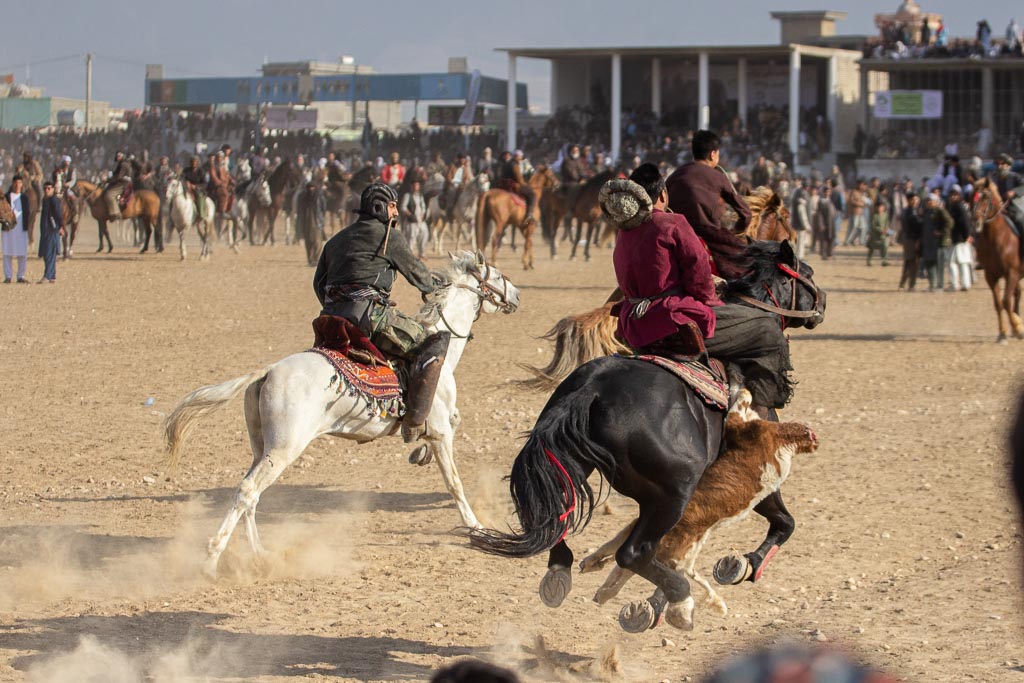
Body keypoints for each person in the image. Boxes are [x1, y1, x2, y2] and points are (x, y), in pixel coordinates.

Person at [604, 163, 793, 410]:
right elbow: (700, 277)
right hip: (673, 322)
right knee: (768, 331)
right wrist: (714, 301)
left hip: (633, 326)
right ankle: (760, 424)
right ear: (662, 194)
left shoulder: (624, 232)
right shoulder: (673, 223)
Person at [313, 182, 446, 442]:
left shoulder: (335, 240)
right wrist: (437, 286)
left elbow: (318, 284)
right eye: (393, 206)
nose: (396, 213)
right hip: (370, 318)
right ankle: (416, 423)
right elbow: (420, 276)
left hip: (330, 319)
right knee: (433, 343)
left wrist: (338, 304)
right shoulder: (388, 237)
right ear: (380, 207)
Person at [666, 129, 752, 239]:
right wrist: (734, 233)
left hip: (676, 237)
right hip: (710, 241)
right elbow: (746, 214)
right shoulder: (719, 177)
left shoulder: (676, 174)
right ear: (713, 154)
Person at [921, 192, 952, 292]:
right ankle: (932, 285)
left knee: (939, 265)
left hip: (938, 243)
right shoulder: (926, 212)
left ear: (936, 202)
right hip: (928, 242)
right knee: (929, 263)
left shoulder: (940, 211)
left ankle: (940, 286)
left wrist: (942, 232)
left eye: (930, 201)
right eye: (927, 201)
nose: (928, 202)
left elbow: (950, 222)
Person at [3, 175, 30, 283]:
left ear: (22, 184)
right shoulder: (6, 196)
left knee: (22, 253)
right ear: (12, 183)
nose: (17, 185)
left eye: (19, 182)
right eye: (15, 182)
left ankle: (21, 276)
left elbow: (28, 213)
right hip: (8, 228)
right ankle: (8, 276)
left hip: (21, 228)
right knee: (7, 252)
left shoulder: (25, 197)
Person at [946, 185, 973, 291]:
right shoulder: (955, 206)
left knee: (954, 262)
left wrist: (967, 235)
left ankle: (955, 284)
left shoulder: (958, 207)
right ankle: (965, 284)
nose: (953, 197)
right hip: (959, 238)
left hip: (959, 238)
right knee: (963, 262)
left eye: (955, 195)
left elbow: (965, 223)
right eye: (952, 195)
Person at [37, 181, 63, 283]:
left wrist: (60, 226)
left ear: (52, 189)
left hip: (52, 229)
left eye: (49, 188)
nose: (46, 190)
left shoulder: (54, 200)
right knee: (46, 253)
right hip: (45, 230)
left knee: (49, 253)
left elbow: (58, 215)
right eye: (45, 188)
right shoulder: (45, 200)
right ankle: (52, 276)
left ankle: (47, 276)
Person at [296, 181, 326, 267]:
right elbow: (300, 211)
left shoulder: (320, 198)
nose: (311, 189)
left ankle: (316, 259)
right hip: (306, 222)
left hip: (317, 222)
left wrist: (321, 220)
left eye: (313, 187)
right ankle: (310, 259)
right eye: (309, 188)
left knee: (317, 242)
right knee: (308, 242)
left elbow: (323, 209)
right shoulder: (303, 198)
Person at [898, 193, 923, 291]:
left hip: (908, 239)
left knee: (909, 262)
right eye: (913, 199)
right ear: (909, 200)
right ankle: (910, 285)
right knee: (912, 263)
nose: (916, 201)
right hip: (912, 240)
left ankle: (903, 284)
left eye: (917, 199)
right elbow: (915, 227)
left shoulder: (907, 211)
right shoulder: (912, 212)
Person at [400, 178, 429, 259]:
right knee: (411, 238)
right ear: (412, 186)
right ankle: (409, 255)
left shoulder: (420, 196)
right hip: (411, 221)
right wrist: (410, 214)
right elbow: (403, 207)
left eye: (417, 185)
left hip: (420, 220)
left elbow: (423, 207)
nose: (416, 187)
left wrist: (423, 214)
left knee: (424, 235)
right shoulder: (407, 196)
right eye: (414, 185)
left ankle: (422, 253)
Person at [103, 151, 134, 220]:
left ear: (122, 156)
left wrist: (107, 180)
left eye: (119, 156)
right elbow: (115, 174)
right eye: (117, 156)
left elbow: (118, 177)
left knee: (109, 195)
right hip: (120, 183)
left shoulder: (123, 164)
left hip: (123, 184)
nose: (118, 158)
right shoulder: (121, 164)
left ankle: (116, 213)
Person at [181, 156, 207, 222]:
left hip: (198, 189)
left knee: (199, 197)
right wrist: (185, 182)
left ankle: (201, 214)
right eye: (192, 162)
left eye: (195, 162)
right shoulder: (186, 170)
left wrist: (195, 186)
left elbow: (204, 183)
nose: (194, 163)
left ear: (197, 163)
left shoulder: (201, 171)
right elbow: (182, 178)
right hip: (186, 188)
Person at [814, 184, 837, 260]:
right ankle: (823, 255)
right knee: (824, 240)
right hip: (825, 223)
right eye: (826, 192)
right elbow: (819, 214)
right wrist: (821, 224)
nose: (828, 193)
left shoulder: (830, 200)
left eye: (829, 192)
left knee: (831, 238)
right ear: (824, 192)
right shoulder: (821, 201)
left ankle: (830, 254)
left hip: (831, 223)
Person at [867, 201, 890, 266]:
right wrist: (880, 230)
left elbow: (887, 223)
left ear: (883, 208)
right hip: (875, 235)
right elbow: (873, 225)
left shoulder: (885, 215)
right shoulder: (874, 216)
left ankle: (884, 261)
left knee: (884, 247)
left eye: (881, 207)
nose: (880, 209)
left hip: (883, 235)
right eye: (878, 207)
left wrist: (886, 229)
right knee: (871, 248)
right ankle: (869, 260)